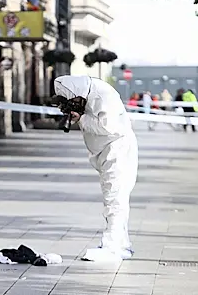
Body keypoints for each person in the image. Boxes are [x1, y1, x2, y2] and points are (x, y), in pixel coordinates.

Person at [54, 75, 138, 262]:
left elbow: (109, 127)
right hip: (108, 151)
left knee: (114, 198)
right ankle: (121, 244)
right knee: (117, 198)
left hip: (116, 150)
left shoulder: (103, 95)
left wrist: (82, 118)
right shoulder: (91, 93)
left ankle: (112, 246)